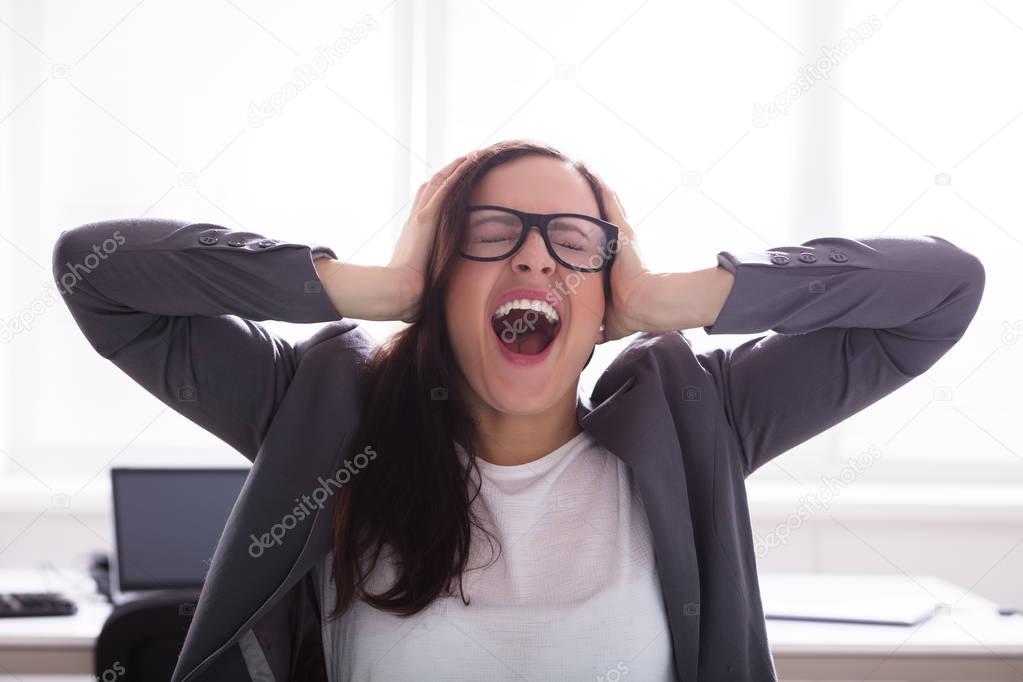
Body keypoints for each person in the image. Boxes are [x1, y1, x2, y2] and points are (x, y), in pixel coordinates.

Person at [53, 139, 985, 681]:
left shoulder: (694, 417)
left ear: (605, 292)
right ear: (438, 281)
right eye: (491, 234)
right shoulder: (323, 414)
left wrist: (677, 299)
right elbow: (98, 272)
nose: (535, 261)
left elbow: (941, 291)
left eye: (573, 242)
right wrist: (366, 287)